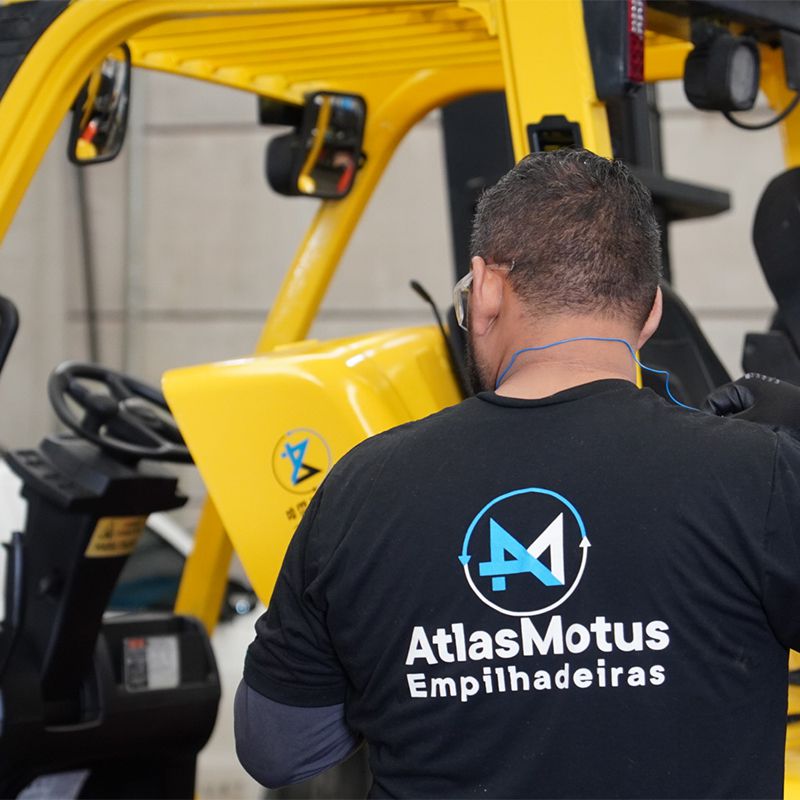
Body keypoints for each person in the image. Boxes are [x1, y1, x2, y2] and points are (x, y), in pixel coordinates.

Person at [235, 149, 800, 798]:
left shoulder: (360, 489)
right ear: (651, 312)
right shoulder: (760, 476)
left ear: (485, 289)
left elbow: (277, 748)